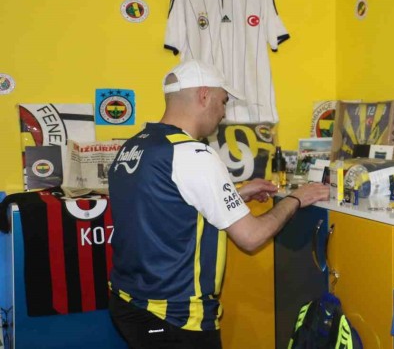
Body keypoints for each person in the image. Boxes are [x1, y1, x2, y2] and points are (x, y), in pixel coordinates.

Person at [107, 60, 329, 348]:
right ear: (204, 95)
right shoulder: (192, 154)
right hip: (174, 316)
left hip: (129, 302)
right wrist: (296, 199)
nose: (223, 112)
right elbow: (252, 237)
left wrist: (237, 193)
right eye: (223, 101)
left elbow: (166, 203)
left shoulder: (136, 145)